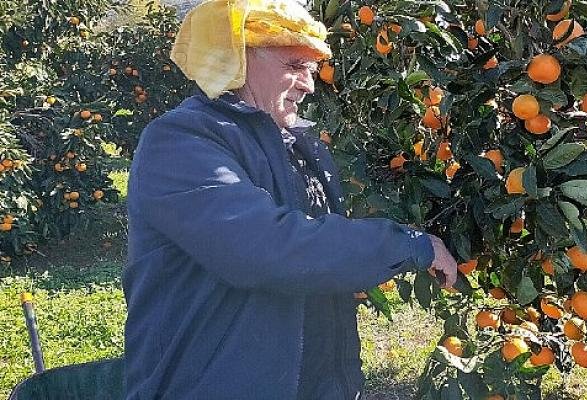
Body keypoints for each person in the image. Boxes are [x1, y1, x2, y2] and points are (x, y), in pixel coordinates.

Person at [122, 1, 458, 399]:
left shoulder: (295, 144)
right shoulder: (180, 141)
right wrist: (409, 245)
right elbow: (263, 247)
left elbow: (316, 247)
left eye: (311, 70)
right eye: (294, 65)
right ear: (239, 57)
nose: (309, 85)